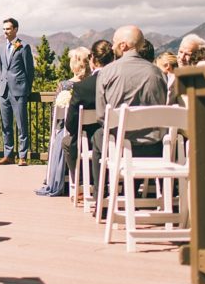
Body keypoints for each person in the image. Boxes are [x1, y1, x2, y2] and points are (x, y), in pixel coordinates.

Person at [92, 26, 167, 194]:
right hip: (154, 147)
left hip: (119, 146)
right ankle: (131, 192)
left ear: (124, 45)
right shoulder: (157, 73)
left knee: (98, 136)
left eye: (114, 42)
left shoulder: (107, 72)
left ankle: (101, 197)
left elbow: (102, 116)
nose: (112, 47)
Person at [36, 46, 91, 196]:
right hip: (91, 132)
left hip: (69, 131)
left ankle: (58, 177)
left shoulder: (65, 85)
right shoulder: (94, 84)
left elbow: (56, 115)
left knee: (59, 136)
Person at [60, 41, 113, 194]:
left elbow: (70, 125)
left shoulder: (82, 87)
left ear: (93, 61)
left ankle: (81, 184)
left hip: (88, 139)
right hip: (118, 139)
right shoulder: (120, 81)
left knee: (68, 142)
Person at [0, 17, 34, 166]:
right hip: (4, 91)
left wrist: (26, 89)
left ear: (16, 29)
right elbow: (2, 68)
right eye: (4, 29)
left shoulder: (23, 46)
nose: (5, 31)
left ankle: (22, 156)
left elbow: (29, 70)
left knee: (21, 125)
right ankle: (8, 155)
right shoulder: (0, 47)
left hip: (19, 91)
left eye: (8, 29)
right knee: (6, 125)